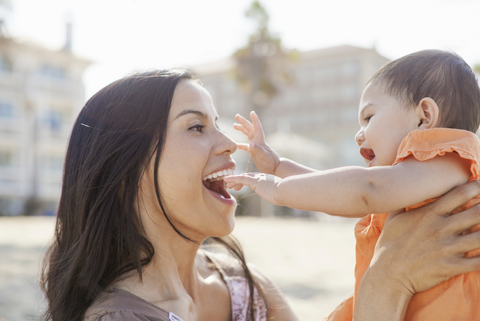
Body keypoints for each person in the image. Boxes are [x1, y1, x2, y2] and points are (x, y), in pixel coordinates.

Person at [39, 68, 480, 321]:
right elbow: (351, 188)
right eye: (196, 127)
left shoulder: (242, 289)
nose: (229, 143)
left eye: (217, 123)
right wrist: (386, 284)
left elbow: (359, 188)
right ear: (125, 171)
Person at [224, 50, 480, 320]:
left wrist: (278, 190)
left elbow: (363, 190)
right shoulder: (403, 184)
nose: (359, 135)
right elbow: (339, 190)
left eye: (369, 118)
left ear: (424, 116)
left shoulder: (451, 158)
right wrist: (278, 167)